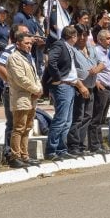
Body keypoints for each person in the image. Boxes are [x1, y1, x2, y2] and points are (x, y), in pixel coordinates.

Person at [42, 25, 89, 161]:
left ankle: (61, 149)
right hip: (62, 87)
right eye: (77, 36)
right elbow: (51, 61)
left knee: (67, 121)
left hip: (70, 86)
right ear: (73, 36)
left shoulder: (68, 48)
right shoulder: (59, 45)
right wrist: (57, 78)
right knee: (60, 119)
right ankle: (51, 150)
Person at [5, 32, 43, 168]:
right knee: (19, 127)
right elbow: (20, 78)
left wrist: (39, 87)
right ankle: (15, 156)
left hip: (31, 97)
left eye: (30, 43)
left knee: (27, 127)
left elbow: (35, 76)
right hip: (21, 97)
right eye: (26, 43)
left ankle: (25, 155)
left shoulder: (28, 57)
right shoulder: (14, 58)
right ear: (18, 43)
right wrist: (35, 89)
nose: (29, 46)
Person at [0, 24, 30, 163]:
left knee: (23, 124)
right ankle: (10, 155)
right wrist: (12, 82)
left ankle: (21, 154)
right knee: (13, 124)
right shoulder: (11, 49)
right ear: (16, 36)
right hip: (12, 92)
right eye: (25, 32)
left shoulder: (26, 50)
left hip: (24, 93)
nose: (29, 34)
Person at [67, 24, 104, 156]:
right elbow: (70, 70)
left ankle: (81, 145)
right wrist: (80, 86)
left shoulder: (91, 48)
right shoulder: (72, 50)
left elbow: (101, 62)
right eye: (80, 34)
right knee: (77, 117)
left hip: (91, 87)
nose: (83, 37)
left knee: (87, 117)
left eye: (85, 34)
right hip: (79, 88)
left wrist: (97, 69)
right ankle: (73, 145)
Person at [89, 29, 110, 154]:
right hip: (101, 88)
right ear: (100, 40)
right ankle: (94, 145)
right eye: (108, 38)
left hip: (108, 88)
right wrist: (97, 82)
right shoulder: (96, 51)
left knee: (102, 118)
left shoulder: (106, 52)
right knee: (96, 117)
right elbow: (93, 67)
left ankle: (99, 143)